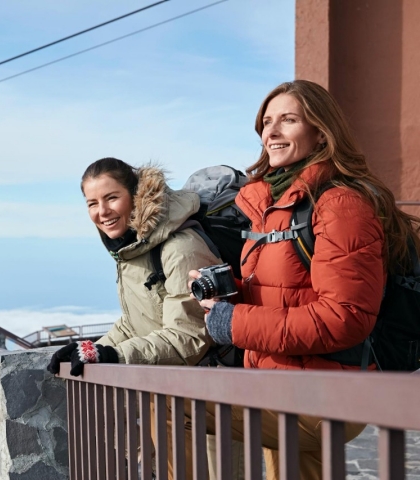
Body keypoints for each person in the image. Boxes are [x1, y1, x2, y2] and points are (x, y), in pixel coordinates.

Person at [192, 79, 420, 480]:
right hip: (282, 379)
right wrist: (232, 293)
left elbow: (344, 316)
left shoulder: (340, 203)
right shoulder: (274, 205)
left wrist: (234, 323)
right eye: (266, 122)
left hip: (325, 392)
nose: (272, 132)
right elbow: (293, 293)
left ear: (320, 131)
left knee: (170, 408)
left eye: (288, 120)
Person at [46, 157, 244, 479]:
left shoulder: (179, 247)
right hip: (173, 397)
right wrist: (93, 347)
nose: (102, 211)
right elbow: (134, 321)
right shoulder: (134, 249)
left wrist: (115, 354)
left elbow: (189, 336)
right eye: (92, 203)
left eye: (111, 198)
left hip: (213, 392)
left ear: (136, 195)